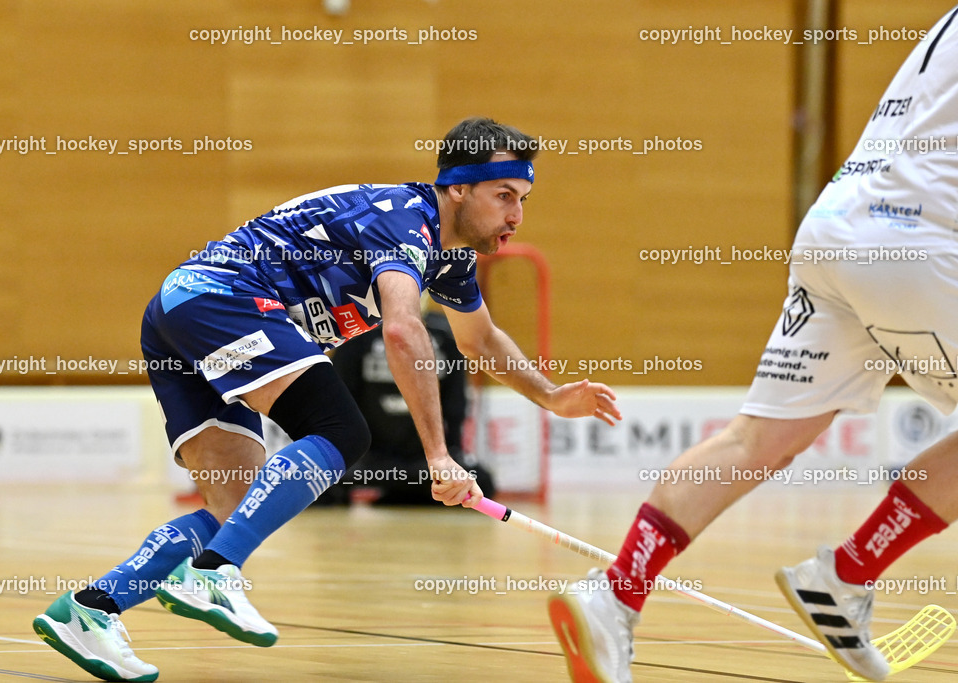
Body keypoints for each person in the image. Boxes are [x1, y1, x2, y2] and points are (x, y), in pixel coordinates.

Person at [32, 116, 622, 682]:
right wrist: (439, 455)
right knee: (342, 431)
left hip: (181, 310)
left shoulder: (450, 256)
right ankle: (212, 574)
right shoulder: (403, 220)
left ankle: (90, 609)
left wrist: (549, 395)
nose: (516, 215)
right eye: (504, 195)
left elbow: (480, 338)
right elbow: (402, 329)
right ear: (457, 188)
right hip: (225, 299)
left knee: (234, 502)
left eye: (523, 199)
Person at [548, 9, 958, 683]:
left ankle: (616, 592)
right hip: (920, 239)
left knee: (754, 439)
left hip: (840, 223)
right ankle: (848, 572)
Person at [322, 304, 496, 505]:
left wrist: (452, 453)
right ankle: (407, 493)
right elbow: (343, 396)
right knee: (318, 480)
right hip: (372, 460)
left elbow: (455, 403)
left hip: (425, 462)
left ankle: (400, 494)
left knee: (481, 482)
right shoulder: (358, 335)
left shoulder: (444, 334)